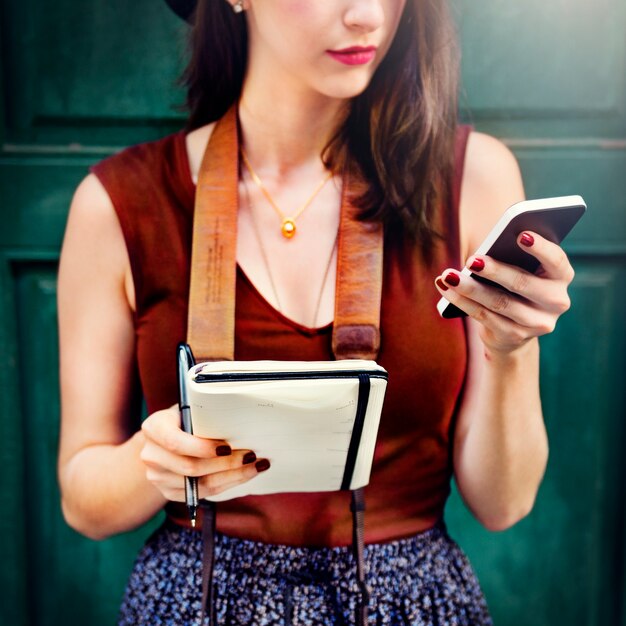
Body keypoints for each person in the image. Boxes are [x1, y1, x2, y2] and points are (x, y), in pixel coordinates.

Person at [56, 1, 575, 624]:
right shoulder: (119, 203)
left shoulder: (473, 178)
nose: (366, 16)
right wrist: (156, 461)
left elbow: (505, 503)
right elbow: (83, 502)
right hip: (195, 601)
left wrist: (513, 349)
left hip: (412, 605)